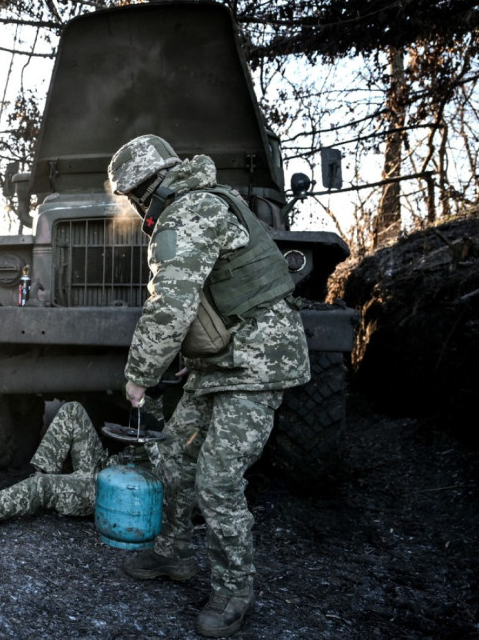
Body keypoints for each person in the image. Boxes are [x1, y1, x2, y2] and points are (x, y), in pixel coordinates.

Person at [107, 135, 310, 638]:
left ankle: (234, 590)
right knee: (174, 455)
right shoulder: (202, 199)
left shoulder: (186, 213)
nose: (135, 207)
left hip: (257, 361)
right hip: (223, 359)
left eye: (133, 197)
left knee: (217, 479)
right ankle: (174, 554)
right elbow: (211, 297)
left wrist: (139, 377)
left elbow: (171, 306)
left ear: (143, 189)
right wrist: (194, 358)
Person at [0, 399, 164, 532]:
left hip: (117, 493)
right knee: (73, 410)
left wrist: (153, 444)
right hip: (111, 468)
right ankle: (42, 488)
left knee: (43, 486)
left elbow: (169, 482)